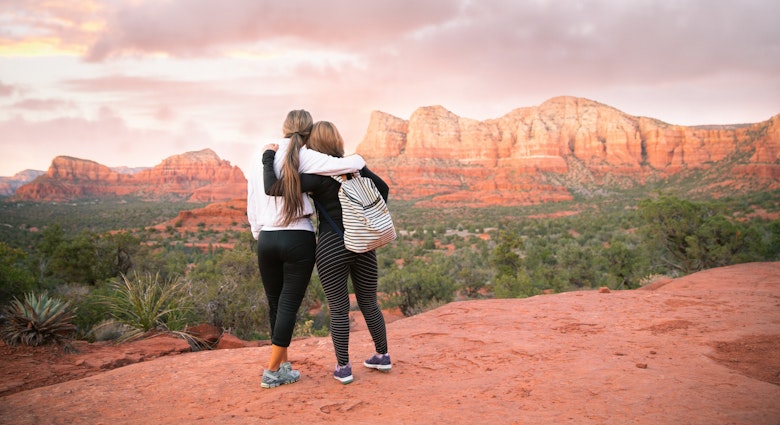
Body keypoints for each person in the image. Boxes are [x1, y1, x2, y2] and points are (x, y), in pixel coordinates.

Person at [263, 121, 392, 385]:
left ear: (315, 144)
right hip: (363, 243)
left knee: (338, 307)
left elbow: (274, 188)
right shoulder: (356, 168)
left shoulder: (318, 177)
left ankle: (344, 368)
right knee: (369, 302)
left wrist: (268, 158)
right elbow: (384, 189)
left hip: (333, 246)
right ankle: (382, 355)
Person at [247, 110, 366, 389]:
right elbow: (356, 162)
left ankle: (283, 365)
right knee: (288, 304)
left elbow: (253, 197)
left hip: (267, 238)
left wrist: (258, 232)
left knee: (275, 303)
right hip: (297, 237)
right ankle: (273, 370)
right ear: (309, 131)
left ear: (284, 128)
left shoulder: (261, 154)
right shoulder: (307, 155)